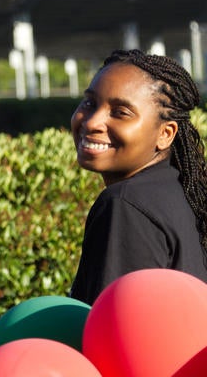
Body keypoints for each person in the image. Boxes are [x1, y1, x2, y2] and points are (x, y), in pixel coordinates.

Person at [69, 49, 207, 305]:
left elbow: (110, 331)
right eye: (90, 103)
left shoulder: (124, 204)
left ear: (165, 134)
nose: (92, 122)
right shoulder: (179, 190)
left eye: (121, 112)